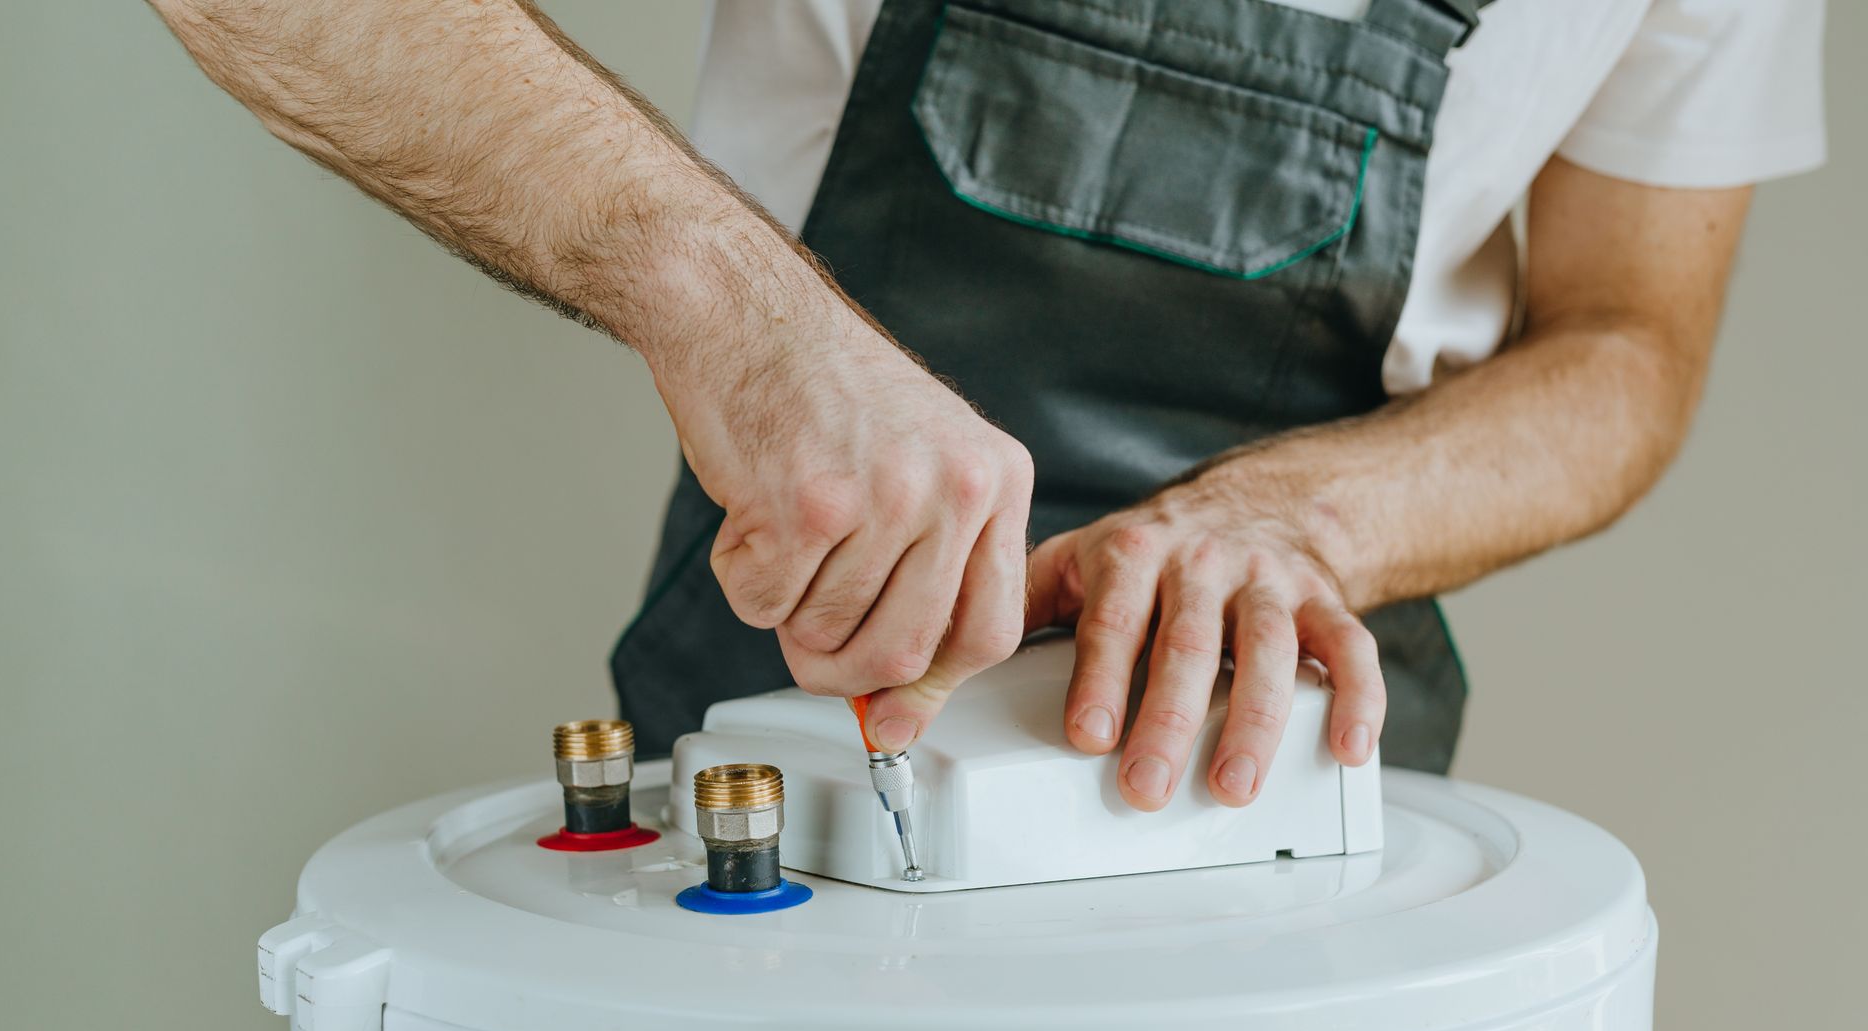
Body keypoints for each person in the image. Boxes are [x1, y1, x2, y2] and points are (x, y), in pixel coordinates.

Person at [149, 0, 1823, 809]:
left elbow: (1629, 339)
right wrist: (735, 314)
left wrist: (1295, 517)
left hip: (1282, 787)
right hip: (779, 741)